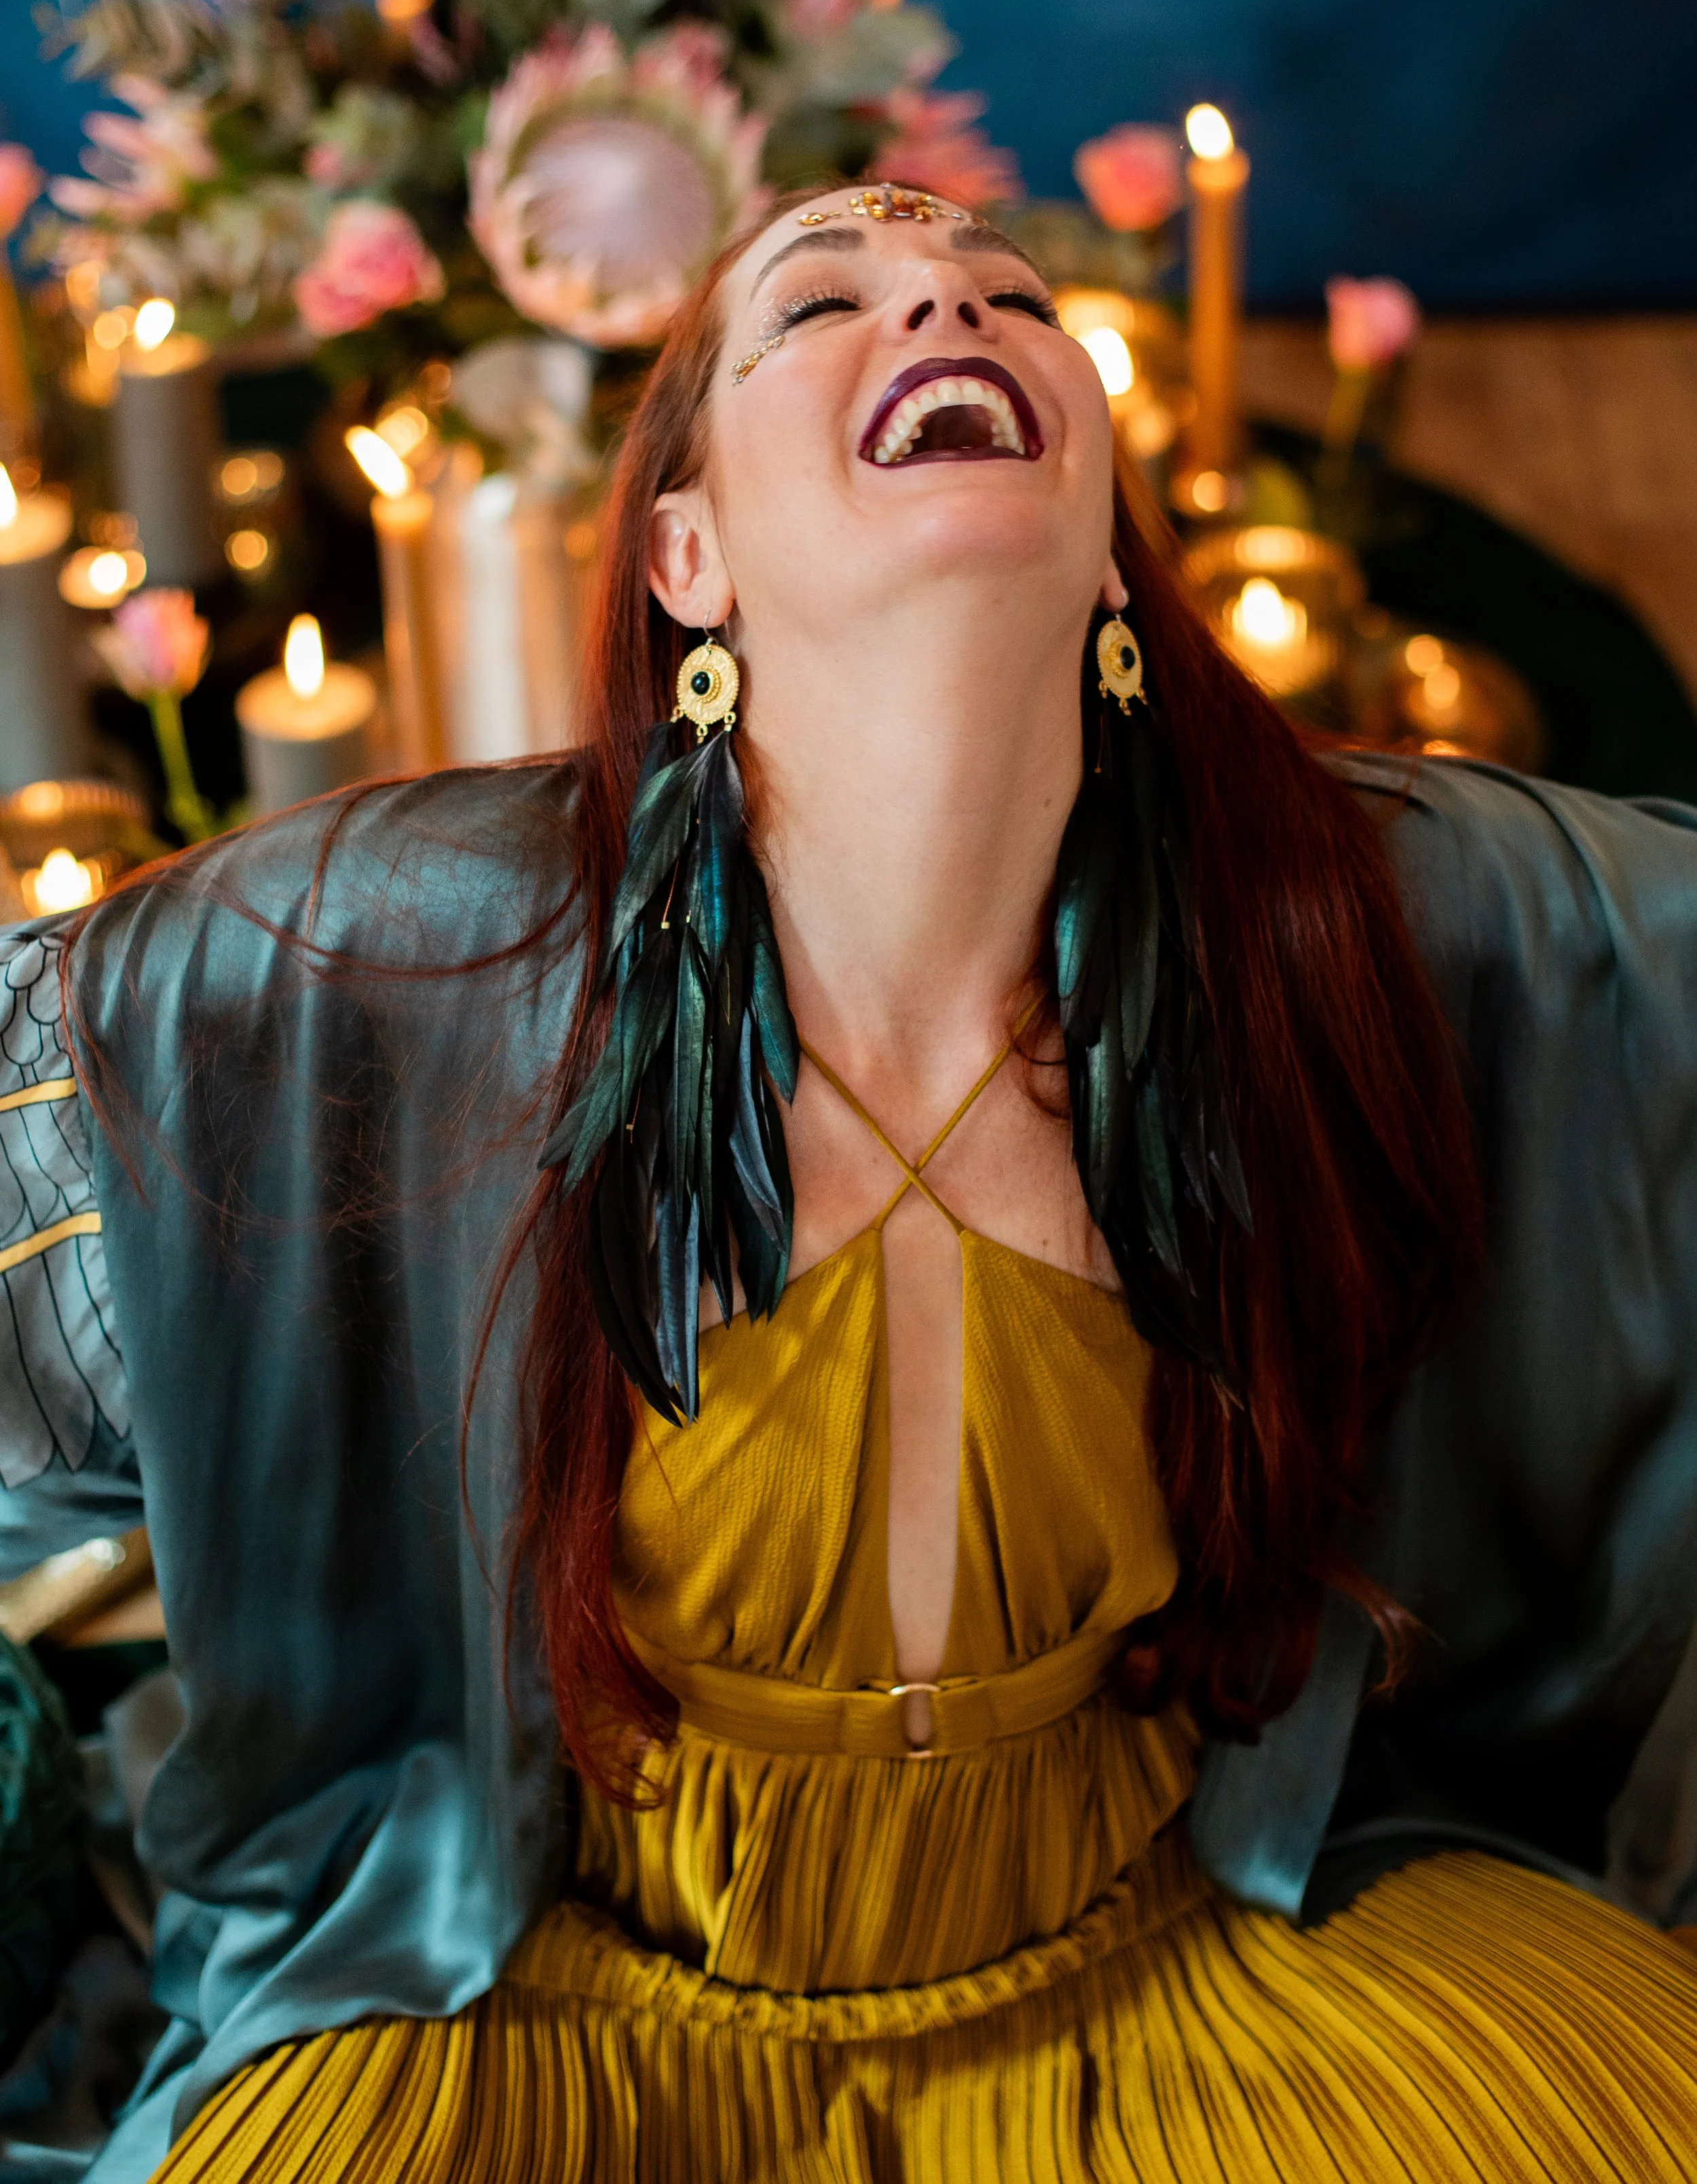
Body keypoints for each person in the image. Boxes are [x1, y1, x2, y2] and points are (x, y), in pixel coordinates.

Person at [5, 182, 1697, 2183]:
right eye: (824, 302)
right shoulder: (362, 974)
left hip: (1189, 1952)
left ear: (1103, 551)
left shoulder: (1373, 919)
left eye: (1006, 292)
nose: (946, 307)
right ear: (685, 555)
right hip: (534, 2007)